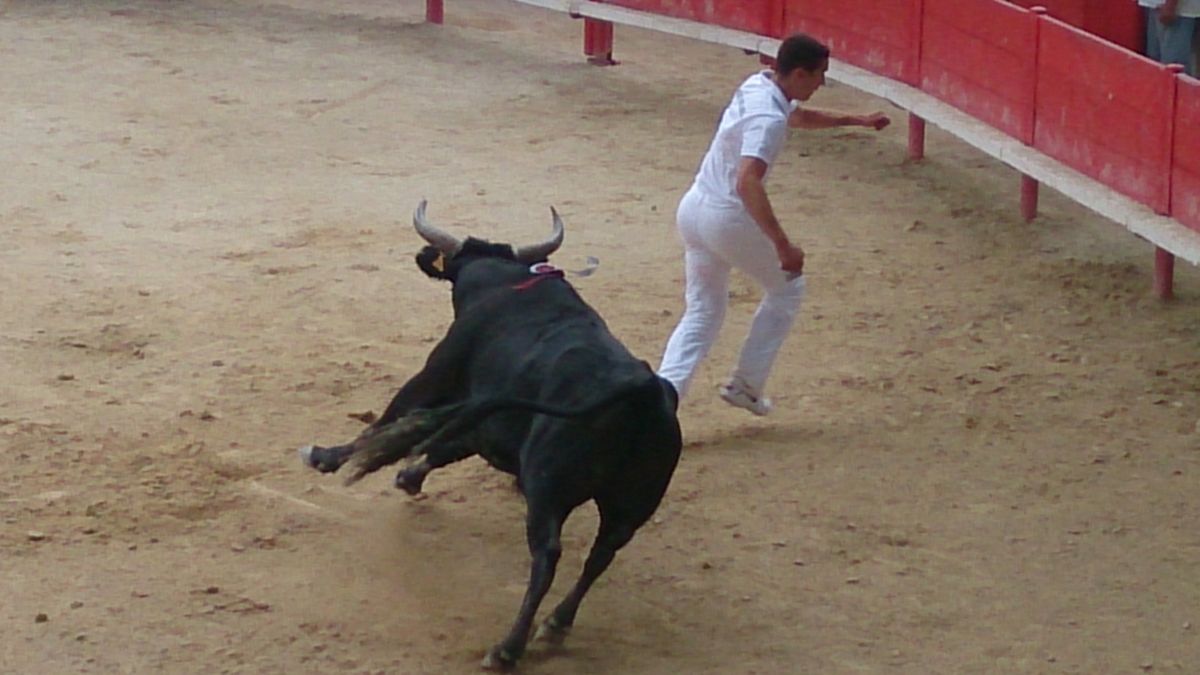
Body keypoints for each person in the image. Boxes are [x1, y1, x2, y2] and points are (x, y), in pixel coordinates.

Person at [657, 33, 890, 416]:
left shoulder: (758, 83)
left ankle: (663, 401)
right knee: (788, 289)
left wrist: (855, 120)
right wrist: (782, 244)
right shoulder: (767, 118)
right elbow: (747, 180)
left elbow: (795, 116)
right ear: (799, 73)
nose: (821, 84)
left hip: (694, 208)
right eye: (819, 76)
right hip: (725, 218)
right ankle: (746, 384)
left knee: (702, 311)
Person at [1139, 0, 1199, 76]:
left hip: (1178, 11)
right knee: (1156, 65)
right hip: (1159, 6)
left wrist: (1170, 6)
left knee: (1173, 68)